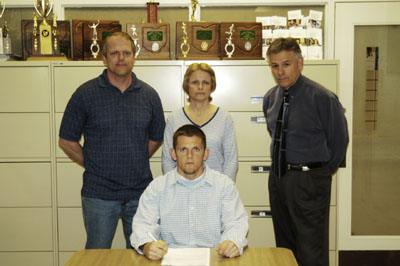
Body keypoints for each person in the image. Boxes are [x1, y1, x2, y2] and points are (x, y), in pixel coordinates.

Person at [58, 32, 165, 249]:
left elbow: (156, 137)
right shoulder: (85, 94)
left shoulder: (149, 95)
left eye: (126, 53)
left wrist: (136, 158)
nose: (121, 58)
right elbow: (66, 140)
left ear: (134, 57)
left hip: (140, 193)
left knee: (142, 254)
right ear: (104, 58)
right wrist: (95, 165)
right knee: (97, 256)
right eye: (114, 53)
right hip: (99, 194)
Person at [263, 37, 348, 266]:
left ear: (300, 63)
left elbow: (340, 142)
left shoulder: (322, 97)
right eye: (274, 66)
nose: (280, 71)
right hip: (279, 179)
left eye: (286, 64)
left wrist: (317, 174)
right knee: (285, 246)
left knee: (311, 249)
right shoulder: (271, 97)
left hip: (309, 180)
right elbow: (276, 135)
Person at [131, 124, 248, 261]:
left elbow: (236, 223)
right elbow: (142, 224)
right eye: (183, 149)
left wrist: (232, 242)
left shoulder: (224, 186)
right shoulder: (157, 188)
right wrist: (147, 245)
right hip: (170, 258)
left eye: (196, 149)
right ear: (173, 154)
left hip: (213, 257)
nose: (190, 156)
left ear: (206, 153)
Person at [162, 62, 238, 182]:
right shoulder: (174, 119)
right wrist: (175, 188)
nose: (201, 87)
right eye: (195, 82)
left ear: (211, 86)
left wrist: (224, 189)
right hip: (182, 189)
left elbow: (231, 161)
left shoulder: (224, 118)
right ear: (187, 85)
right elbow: (167, 161)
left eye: (206, 82)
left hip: (215, 189)